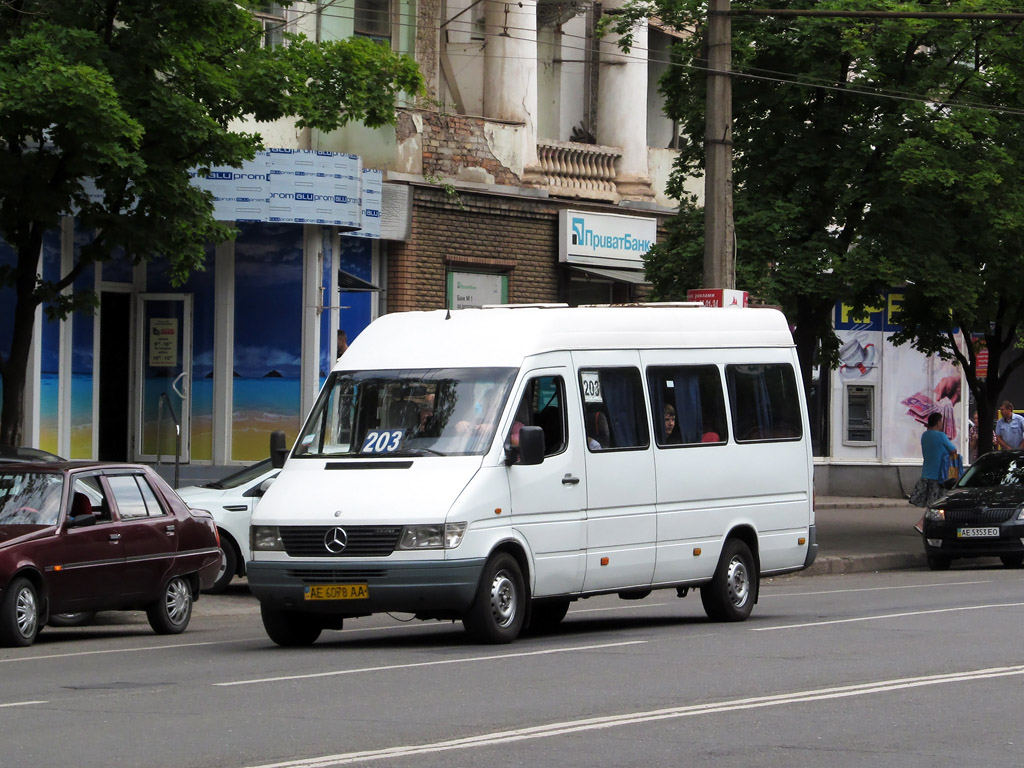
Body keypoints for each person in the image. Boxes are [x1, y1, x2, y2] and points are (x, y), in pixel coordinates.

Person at [910, 412, 958, 508]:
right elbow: (953, 450)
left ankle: (923, 522)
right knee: (938, 504)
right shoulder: (941, 436)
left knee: (930, 503)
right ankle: (924, 522)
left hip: (926, 474)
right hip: (939, 476)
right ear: (938, 422)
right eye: (941, 421)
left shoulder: (925, 435)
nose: (942, 423)